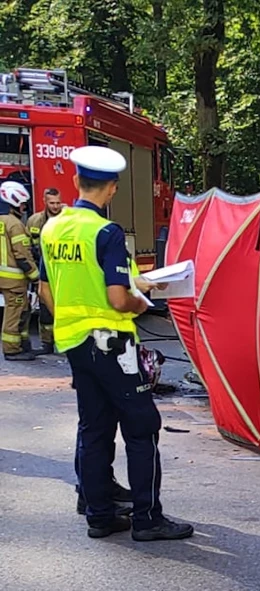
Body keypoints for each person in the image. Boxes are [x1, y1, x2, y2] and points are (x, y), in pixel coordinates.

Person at [38, 146, 194, 541]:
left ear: (75, 182)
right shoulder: (106, 233)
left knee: (94, 427)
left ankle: (100, 515)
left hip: (74, 342)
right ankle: (147, 519)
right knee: (143, 426)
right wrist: (142, 299)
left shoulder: (52, 228)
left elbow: (45, 289)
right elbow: (117, 298)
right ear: (112, 190)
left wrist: (74, 321)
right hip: (112, 344)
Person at [0, 180, 39, 361]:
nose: (24, 207)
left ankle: (22, 343)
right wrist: (36, 277)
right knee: (14, 311)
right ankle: (11, 350)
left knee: (23, 309)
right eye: (23, 204)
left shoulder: (2, 221)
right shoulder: (15, 224)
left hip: (4, 277)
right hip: (14, 280)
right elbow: (22, 255)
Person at [27, 187, 64, 354]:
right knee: (45, 309)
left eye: (58, 202)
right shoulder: (35, 221)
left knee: (65, 308)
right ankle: (47, 343)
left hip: (64, 270)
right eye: (52, 203)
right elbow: (27, 247)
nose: (55, 206)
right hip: (44, 268)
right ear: (45, 201)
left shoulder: (67, 219)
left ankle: (65, 343)